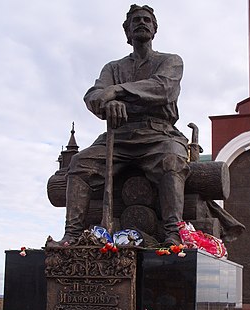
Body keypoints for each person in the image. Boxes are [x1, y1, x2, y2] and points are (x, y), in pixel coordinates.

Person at [50, 4, 190, 247]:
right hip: (120, 135)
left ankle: (173, 233)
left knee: (172, 159)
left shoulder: (171, 61)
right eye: (136, 20)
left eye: (147, 20)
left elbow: (163, 88)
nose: (142, 23)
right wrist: (108, 104)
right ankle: (72, 235)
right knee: (80, 163)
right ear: (127, 32)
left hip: (158, 134)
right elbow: (93, 95)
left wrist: (116, 92)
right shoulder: (113, 68)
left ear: (155, 29)